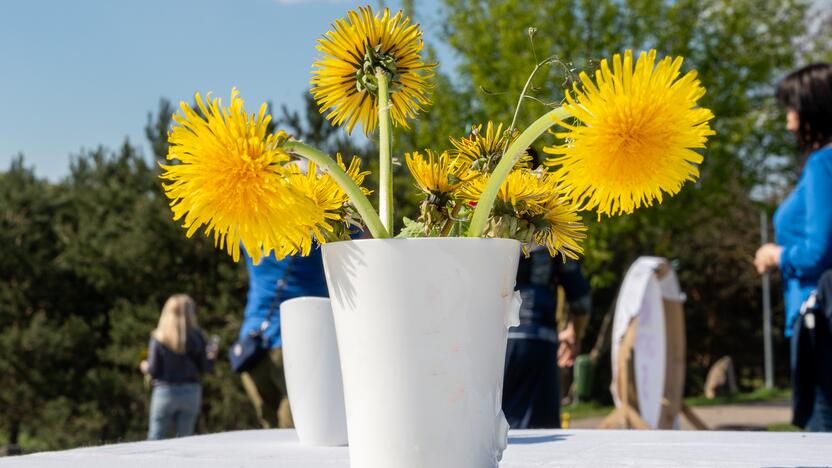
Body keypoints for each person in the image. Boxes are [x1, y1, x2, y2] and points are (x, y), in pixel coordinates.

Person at [754, 63, 832, 431]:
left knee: (821, 435)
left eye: (792, 109)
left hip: (820, 324)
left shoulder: (823, 164)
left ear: (813, 109)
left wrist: (776, 255)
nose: (788, 122)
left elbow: (819, 251)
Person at [238, 246, 328, 429]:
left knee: (269, 427)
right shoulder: (314, 236)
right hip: (302, 339)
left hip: (254, 342)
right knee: (300, 424)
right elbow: (365, 240)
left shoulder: (249, 232)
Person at [502, 248, 591, 429]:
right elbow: (581, 301)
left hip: (495, 339)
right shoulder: (554, 239)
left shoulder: (489, 231)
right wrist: (574, 334)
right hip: (537, 339)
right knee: (541, 428)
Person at [140, 294, 217, 440]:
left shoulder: (159, 337)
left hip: (165, 391)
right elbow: (205, 368)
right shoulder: (197, 336)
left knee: (155, 439)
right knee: (184, 441)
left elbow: (154, 370)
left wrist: (144, 366)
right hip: (191, 392)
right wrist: (212, 356)